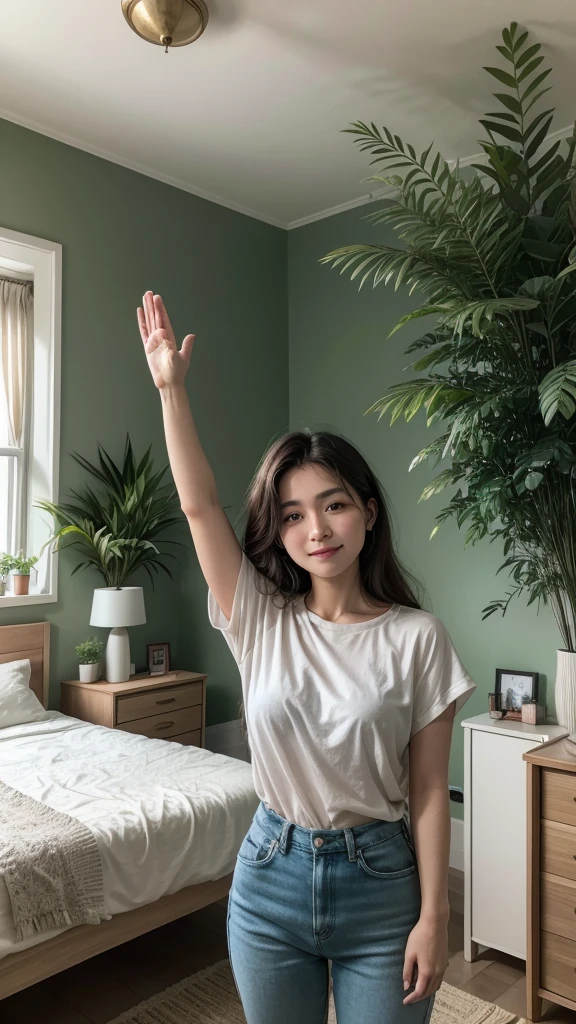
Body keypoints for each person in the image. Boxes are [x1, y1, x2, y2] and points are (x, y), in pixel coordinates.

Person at [138, 291, 476, 1024]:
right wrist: (171, 389)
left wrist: (436, 917)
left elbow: (427, 793)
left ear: (367, 511)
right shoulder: (258, 616)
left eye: (333, 504)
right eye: (292, 515)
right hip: (269, 877)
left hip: (383, 885)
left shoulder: (418, 638)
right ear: (278, 530)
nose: (315, 529)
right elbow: (200, 507)